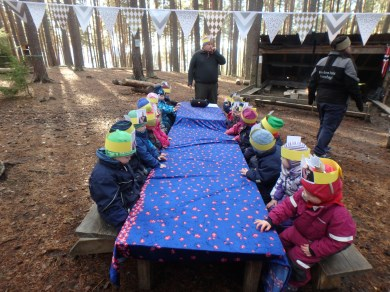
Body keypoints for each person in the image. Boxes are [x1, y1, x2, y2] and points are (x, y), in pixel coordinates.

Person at [254, 156, 356, 290]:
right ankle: (272, 270)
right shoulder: (304, 194)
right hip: (297, 230)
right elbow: (287, 207)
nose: (305, 194)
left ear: (325, 196)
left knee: (296, 260)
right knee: (277, 243)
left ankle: (295, 282)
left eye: (311, 193)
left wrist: (315, 249)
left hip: (312, 243)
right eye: (305, 189)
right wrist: (270, 220)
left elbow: (342, 240)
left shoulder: (338, 214)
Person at [308, 35, 364, 158]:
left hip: (321, 100)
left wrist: (311, 98)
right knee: (328, 127)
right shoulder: (347, 62)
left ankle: (322, 145)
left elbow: (312, 82)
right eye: (349, 46)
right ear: (345, 48)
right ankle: (319, 151)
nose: (350, 48)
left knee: (324, 124)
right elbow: (352, 85)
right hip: (336, 102)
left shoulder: (321, 61)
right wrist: (360, 103)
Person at [89, 130, 140, 232]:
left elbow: (130, 182)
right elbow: (109, 205)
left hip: (130, 201)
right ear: (115, 154)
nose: (130, 158)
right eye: (127, 156)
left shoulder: (120, 162)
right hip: (119, 213)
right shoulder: (102, 177)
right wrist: (125, 223)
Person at [266, 138, 310, 230]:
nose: (280, 159)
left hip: (295, 205)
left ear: (293, 161)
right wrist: (275, 198)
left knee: (285, 220)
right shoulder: (287, 170)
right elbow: (281, 182)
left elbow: (299, 201)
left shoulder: (303, 178)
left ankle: (282, 229)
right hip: (286, 197)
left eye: (283, 158)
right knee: (272, 208)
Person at [240, 127, 281, 204]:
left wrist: (248, 173)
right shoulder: (274, 148)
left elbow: (261, 179)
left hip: (270, 188)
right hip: (270, 176)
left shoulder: (269, 163)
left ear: (258, 148)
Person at [188, 35, 226, 104]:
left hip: (213, 86)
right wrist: (190, 81)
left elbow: (223, 62)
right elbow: (191, 69)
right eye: (208, 44)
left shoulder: (215, 55)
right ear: (204, 46)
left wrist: (216, 52)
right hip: (200, 85)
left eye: (211, 44)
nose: (210, 46)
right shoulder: (197, 55)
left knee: (213, 105)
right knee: (200, 104)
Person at [109, 120, 149, 186]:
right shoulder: (121, 160)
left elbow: (137, 164)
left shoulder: (125, 156)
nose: (130, 158)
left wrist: (143, 171)